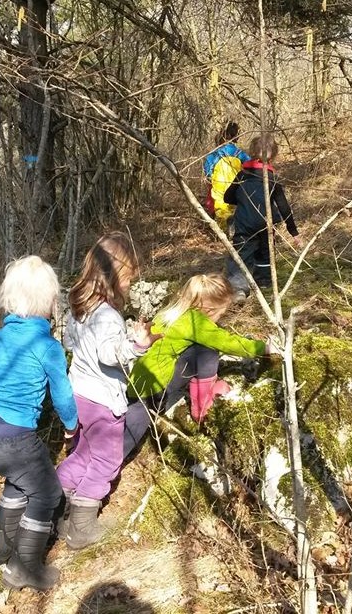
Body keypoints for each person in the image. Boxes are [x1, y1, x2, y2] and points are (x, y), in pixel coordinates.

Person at [0, 255, 78, 592]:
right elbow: (62, 396)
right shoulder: (48, 346)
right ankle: (23, 569)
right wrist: (71, 425)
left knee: (20, 483)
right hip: (16, 437)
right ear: (48, 301)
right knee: (47, 492)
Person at [56, 231, 160, 550]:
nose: (129, 286)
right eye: (128, 279)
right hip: (102, 401)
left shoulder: (79, 307)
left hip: (79, 395)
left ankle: (56, 509)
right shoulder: (109, 316)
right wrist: (137, 344)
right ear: (115, 278)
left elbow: (71, 344)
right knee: (105, 460)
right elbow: (109, 354)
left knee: (82, 453)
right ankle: (82, 527)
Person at [123, 273, 273, 459]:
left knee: (201, 348)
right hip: (154, 387)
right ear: (210, 309)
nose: (221, 317)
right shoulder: (196, 323)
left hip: (139, 377)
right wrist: (264, 348)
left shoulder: (174, 312)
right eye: (222, 312)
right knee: (131, 429)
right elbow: (227, 342)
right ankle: (202, 407)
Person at [224, 133, 303, 301]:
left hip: (244, 222)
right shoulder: (273, 179)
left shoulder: (242, 176)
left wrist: (242, 198)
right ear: (273, 155)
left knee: (242, 253)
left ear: (251, 153)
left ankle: (239, 289)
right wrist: (294, 233)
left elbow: (227, 198)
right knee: (266, 251)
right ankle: (264, 281)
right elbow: (283, 207)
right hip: (266, 223)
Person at [203, 121, 251, 230]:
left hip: (219, 183)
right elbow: (250, 165)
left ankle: (223, 232)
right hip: (236, 183)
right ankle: (234, 227)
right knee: (235, 205)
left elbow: (208, 172)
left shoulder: (215, 154)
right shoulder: (239, 153)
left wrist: (210, 178)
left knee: (220, 206)